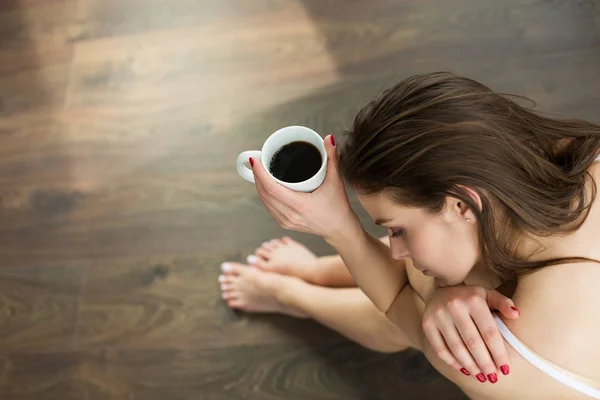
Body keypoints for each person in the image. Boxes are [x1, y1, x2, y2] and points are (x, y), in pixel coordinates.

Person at [220, 72, 600, 399]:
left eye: (395, 230)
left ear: (462, 203)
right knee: (444, 264)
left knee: (444, 322)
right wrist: (441, 289)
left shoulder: (504, 356)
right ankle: (318, 272)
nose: (396, 250)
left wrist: (340, 229)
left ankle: (292, 295)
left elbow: (398, 301)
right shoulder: (583, 159)